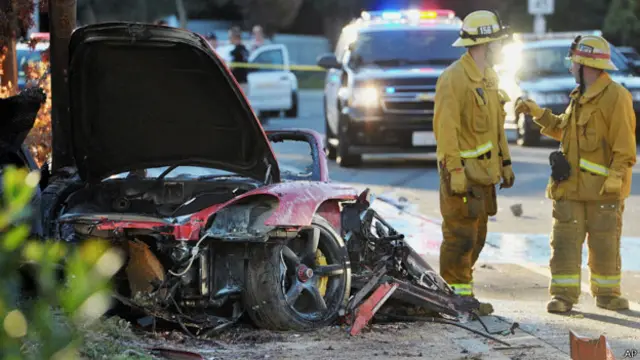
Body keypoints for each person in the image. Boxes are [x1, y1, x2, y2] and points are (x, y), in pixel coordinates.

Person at [515, 35, 636, 313]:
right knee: (564, 243)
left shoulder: (616, 98)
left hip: (603, 190)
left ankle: (607, 294)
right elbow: (564, 131)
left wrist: (616, 177)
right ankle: (563, 296)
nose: (570, 67)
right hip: (569, 187)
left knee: (605, 244)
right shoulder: (579, 97)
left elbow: (625, 147)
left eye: (574, 63)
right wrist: (538, 113)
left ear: (586, 66)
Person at [433, 10, 515, 316]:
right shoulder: (453, 79)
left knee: (477, 237)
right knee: (460, 238)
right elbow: (446, 130)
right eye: (497, 43)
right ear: (485, 45)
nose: (500, 49)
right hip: (462, 176)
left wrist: (505, 163)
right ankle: (453, 300)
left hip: (483, 177)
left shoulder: (489, 79)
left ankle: (460, 296)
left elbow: (497, 127)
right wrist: (454, 170)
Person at [228, 26, 250, 93]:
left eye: (230, 37)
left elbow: (232, 68)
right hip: (244, 82)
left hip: (238, 84)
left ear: (234, 37)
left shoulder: (235, 52)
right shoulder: (245, 49)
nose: (229, 39)